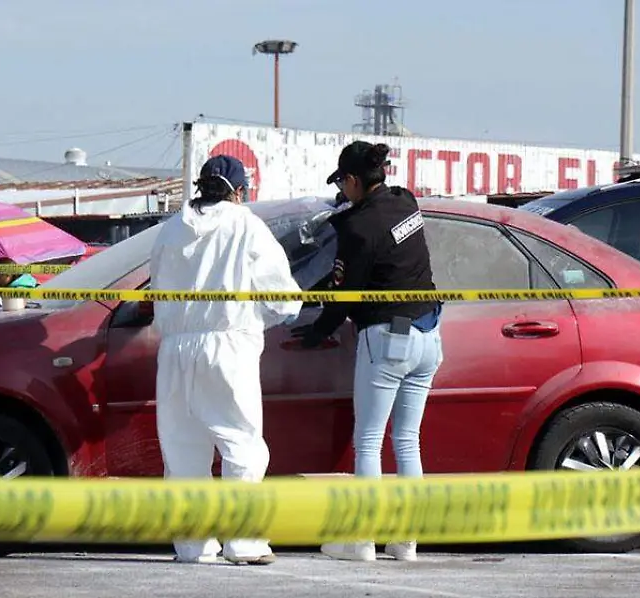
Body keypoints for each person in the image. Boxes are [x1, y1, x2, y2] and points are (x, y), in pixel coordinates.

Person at [292, 141, 443, 563]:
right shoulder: (405, 201)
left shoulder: (357, 228)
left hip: (388, 339)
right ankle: (405, 541)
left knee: (369, 441)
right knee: (407, 440)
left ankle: (361, 541)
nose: (341, 190)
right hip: (429, 335)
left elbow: (344, 296)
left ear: (355, 180)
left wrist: (315, 330)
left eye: (343, 182)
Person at [149, 154, 302, 565]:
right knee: (241, 444)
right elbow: (283, 297)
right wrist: (265, 318)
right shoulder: (246, 224)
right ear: (238, 190)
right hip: (228, 345)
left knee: (182, 449)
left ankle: (193, 546)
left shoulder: (169, 231)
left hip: (176, 349)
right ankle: (245, 542)